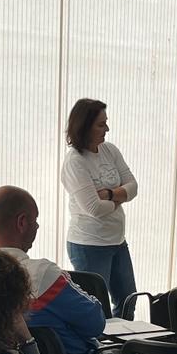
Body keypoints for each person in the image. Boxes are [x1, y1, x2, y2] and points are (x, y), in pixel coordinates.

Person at [0, 184, 106, 354]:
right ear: (22, 223)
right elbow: (95, 323)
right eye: (35, 220)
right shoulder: (42, 275)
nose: (38, 226)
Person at [61, 98, 138, 309]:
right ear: (84, 127)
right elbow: (94, 209)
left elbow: (134, 187)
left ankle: (123, 343)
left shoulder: (110, 150)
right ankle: (102, 344)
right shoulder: (75, 161)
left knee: (128, 300)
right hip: (89, 245)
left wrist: (110, 194)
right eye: (101, 124)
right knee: (97, 309)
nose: (107, 128)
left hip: (117, 241)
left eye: (106, 122)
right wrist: (120, 198)